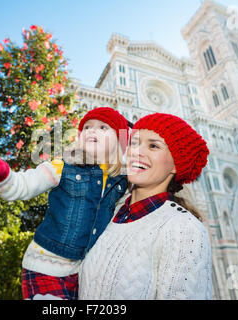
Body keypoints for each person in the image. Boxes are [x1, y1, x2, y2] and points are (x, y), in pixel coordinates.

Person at [0, 107, 130, 300]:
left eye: (103, 127)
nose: (91, 131)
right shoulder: (62, 167)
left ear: (120, 141)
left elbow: (122, 220)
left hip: (84, 274)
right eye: (87, 127)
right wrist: (1, 176)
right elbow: (24, 185)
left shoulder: (120, 183)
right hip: (44, 266)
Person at [79, 113, 213, 300]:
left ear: (176, 164)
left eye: (153, 146)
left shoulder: (184, 229)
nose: (136, 152)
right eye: (134, 143)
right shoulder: (110, 211)